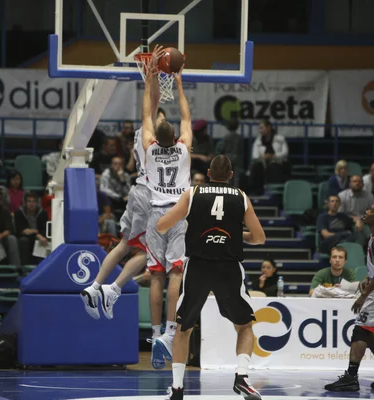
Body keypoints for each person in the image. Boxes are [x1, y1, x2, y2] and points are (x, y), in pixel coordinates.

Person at [155, 155, 266, 400]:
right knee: (245, 326)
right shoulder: (241, 196)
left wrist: (183, 223)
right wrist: (237, 235)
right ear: (231, 175)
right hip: (228, 267)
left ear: (207, 173)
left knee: (183, 328)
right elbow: (259, 237)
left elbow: (161, 226)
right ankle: (241, 378)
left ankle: (176, 388)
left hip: (198, 266)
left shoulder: (193, 193)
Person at [80, 46, 165, 334]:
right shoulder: (149, 131)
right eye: (161, 117)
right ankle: (114, 288)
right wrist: (151, 76)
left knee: (125, 245)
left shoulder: (150, 136)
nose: (163, 120)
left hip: (139, 192)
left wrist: (152, 76)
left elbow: (153, 104)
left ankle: (95, 287)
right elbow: (152, 103)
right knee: (153, 255)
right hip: (150, 197)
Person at [140, 56, 193, 370]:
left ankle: (155, 332)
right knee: (176, 273)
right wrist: (179, 83)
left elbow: (147, 113)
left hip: (155, 218)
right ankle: (170, 334)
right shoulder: (185, 149)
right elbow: (186, 116)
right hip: (178, 216)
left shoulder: (147, 148)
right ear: (176, 138)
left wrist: (149, 80)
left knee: (156, 276)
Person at [325, 201, 374, 392]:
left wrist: (363, 295)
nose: (365, 211)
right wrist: (368, 279)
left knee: (360, 329)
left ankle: (351, 377)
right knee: (367, 330)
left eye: (370, 210)